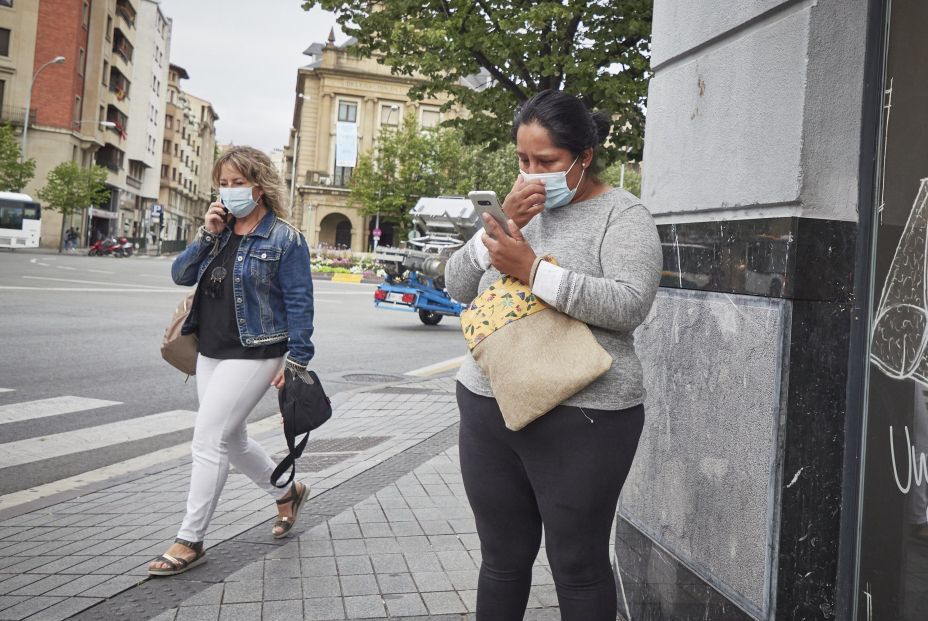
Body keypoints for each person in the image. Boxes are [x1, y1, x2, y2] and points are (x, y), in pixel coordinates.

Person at [445, 90, 663, 620]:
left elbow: (630, 303)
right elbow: (457, 284)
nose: (531, 173)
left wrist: (533, 271)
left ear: (583, 156)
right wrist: (493, 232)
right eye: (523, 160)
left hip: (585, 417)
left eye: (546, 162)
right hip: (488, 406)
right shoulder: (517, 210)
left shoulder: (623, 215)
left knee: (578, 564)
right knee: (500, 559)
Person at [148, 146, 315, 576]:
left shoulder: (285, 239)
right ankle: (287, 491)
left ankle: (190, 539)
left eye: (238, 183)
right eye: (224, 182)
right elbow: (181, 275)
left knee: (208, 439)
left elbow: (300, 303)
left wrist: (296, 361)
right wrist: (206, 233)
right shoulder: (218, 231)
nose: (229, 190)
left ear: (259, 186)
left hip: (258, 350)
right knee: (233, 437)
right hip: (211, 350)